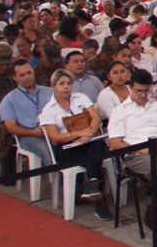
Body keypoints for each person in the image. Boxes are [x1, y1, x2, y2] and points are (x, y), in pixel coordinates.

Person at [107, 68, 157, 230]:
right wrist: (142, 150)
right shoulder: (120, 111)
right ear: (131, 88)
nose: (143, 95)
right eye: (139, 91)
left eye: (146, 91)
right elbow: (115, 143)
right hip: (136, 155)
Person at [39, 68, 111, 219]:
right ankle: (97, 196)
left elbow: (95, 117)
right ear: (53, 87)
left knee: (97, 145)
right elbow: (55, 137)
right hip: (66, 147)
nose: (66, 87)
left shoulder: (81, 98)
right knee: (94, 157)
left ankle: (91, 186)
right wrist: (79, 134)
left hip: (88, 141)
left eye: (68, 83)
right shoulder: (48, 110)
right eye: (61, 84)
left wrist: (89, 133)